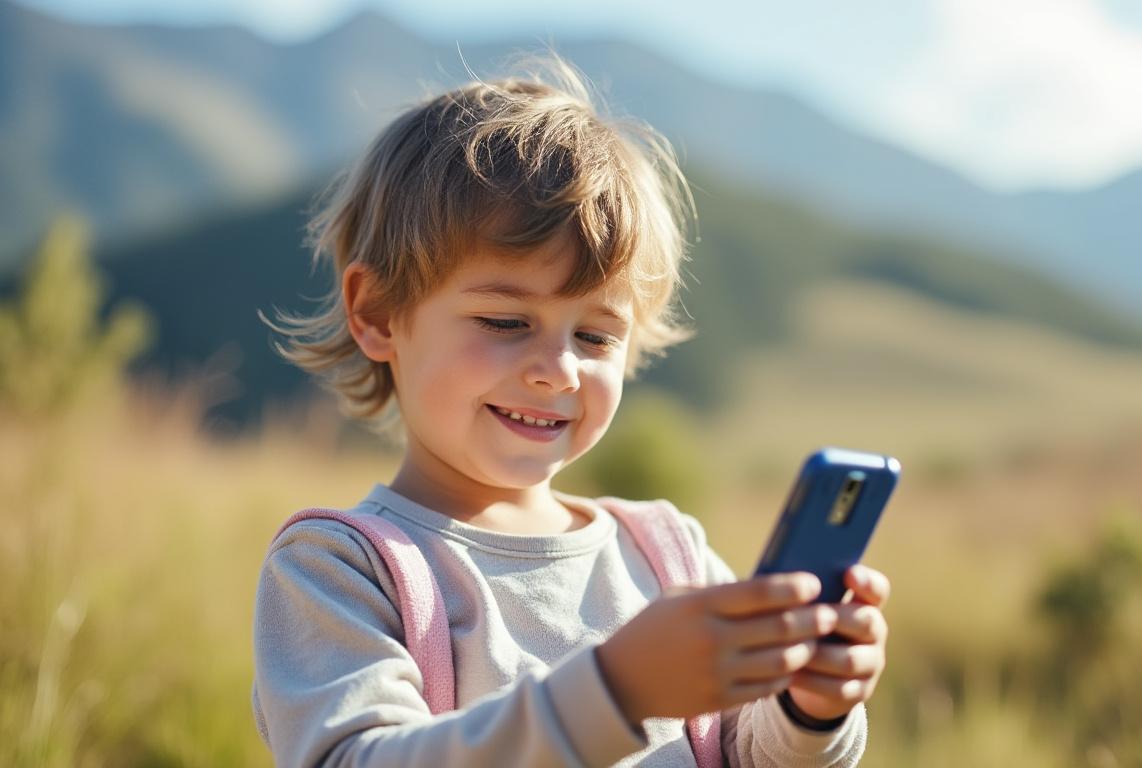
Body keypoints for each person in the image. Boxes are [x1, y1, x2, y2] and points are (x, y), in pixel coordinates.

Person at [251, 56, 890, 767]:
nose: (557, 371)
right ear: (377, 312)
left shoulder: (666, 553)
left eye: (594, 336)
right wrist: (613, 691)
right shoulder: (340, 570)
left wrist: (808, 708)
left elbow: (742, 753)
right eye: (503, 321)